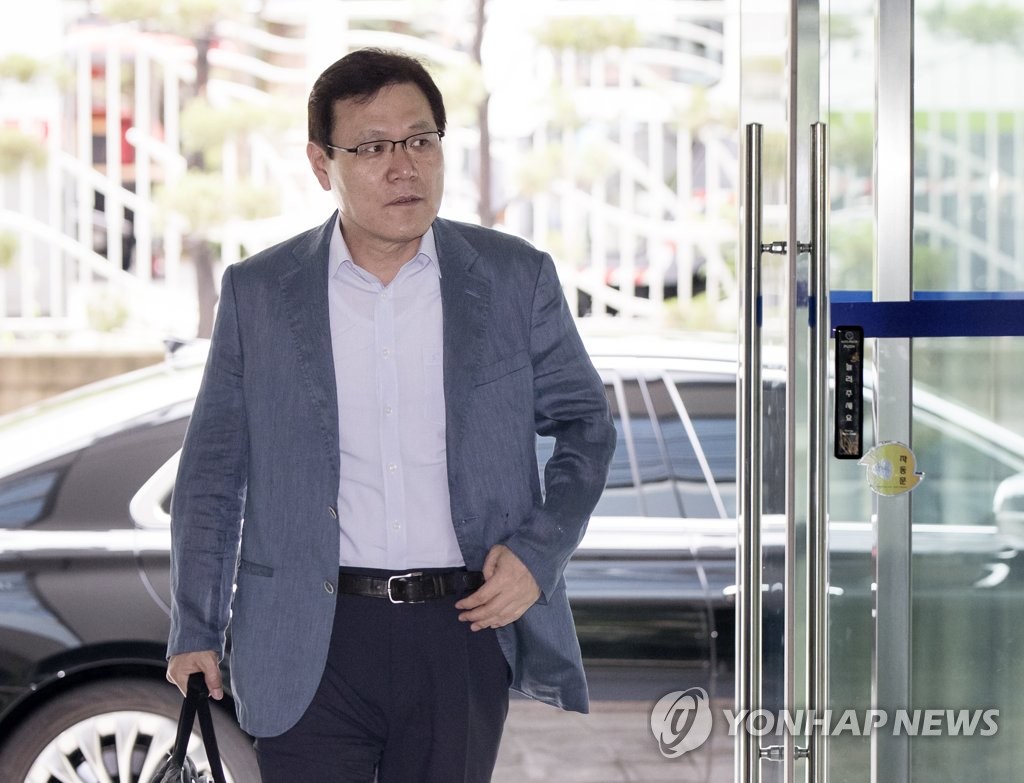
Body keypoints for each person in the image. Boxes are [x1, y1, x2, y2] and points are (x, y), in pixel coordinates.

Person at [165, 47, 616, 783]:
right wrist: (195, 625)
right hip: (309, 636)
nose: (404, 167)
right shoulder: (260, 294)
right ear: (322, 164)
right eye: (373, 148)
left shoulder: (513, 278)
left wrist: (540, 553)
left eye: (420, 140)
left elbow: (587, 427)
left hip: (460, 627)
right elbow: (213, 474)